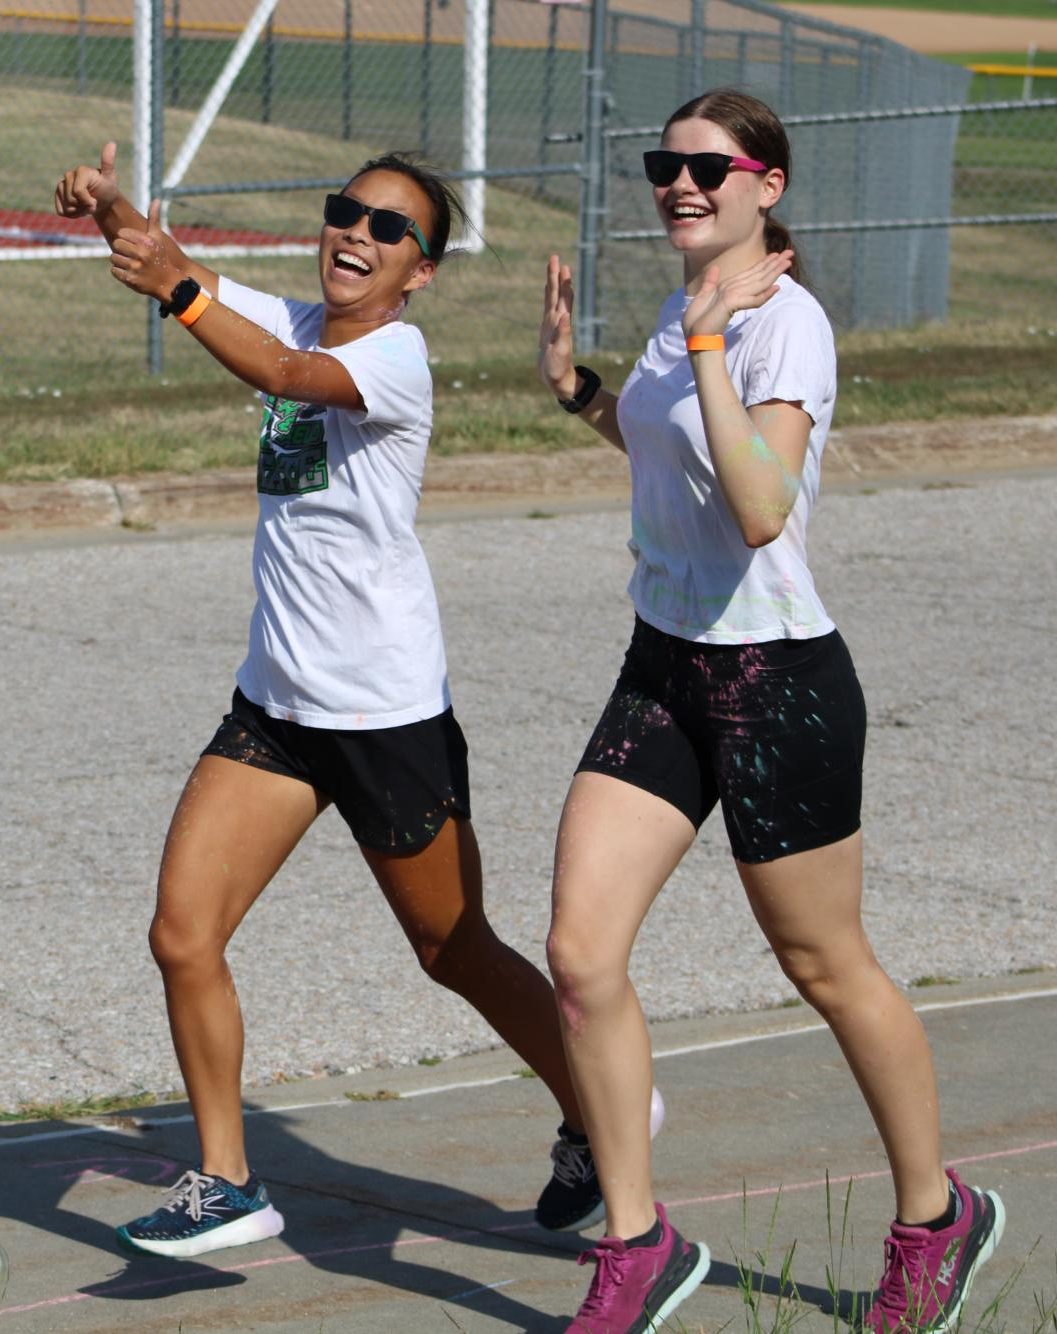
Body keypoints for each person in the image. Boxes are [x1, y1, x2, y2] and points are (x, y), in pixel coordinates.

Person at [53, 142, 606, 1258]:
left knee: (454, 947)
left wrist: (183, 289)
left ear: (421, 272)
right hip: (275, 707)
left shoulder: (397, 358)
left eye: (388, 228)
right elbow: (182, 274)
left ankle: (600, 1115)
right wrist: (113, 209)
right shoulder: (294, 317)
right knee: (182, 931)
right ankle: (227, 1178)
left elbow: (279, 374)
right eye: (344, 212)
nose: (356, 234)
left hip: (384, 711)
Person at [536, 89, 1005, 1334]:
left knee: (823, 963)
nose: (680, 184)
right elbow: (673, 464)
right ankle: (638, 1245)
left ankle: (934, 1213)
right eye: (664, 164)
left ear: (767, 185)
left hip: (775, 681)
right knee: (580, 955)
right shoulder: (687, 307)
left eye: (708, 167)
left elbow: (756, 506)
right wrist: (583, 387)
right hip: (665, 664)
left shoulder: (781, 326)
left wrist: (703, 345)